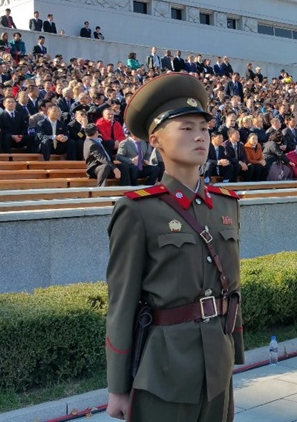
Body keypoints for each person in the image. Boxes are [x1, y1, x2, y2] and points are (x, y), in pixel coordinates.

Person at [104, 74, 244, 421]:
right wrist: (118, 387)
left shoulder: (226, 205)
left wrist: (234, 352)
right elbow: (121, 303)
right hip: (164, 371)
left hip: (218, 365)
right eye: (185, 127)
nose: (199, 136)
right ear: (156, 140)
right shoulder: (138, 210)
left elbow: (234, 288)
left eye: (204, 128)